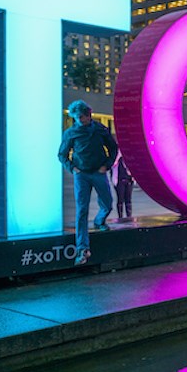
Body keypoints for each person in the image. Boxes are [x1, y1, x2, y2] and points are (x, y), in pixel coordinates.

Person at [58, 100, 118, 266]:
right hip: (82, 174)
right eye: (77, 118)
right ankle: (82, 249)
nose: (80, 121)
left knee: (108, 203)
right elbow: (62, 154)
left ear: (89, 115)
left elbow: (113, 148)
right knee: (82, 211)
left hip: (98, 172)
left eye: (82, 117)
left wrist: (107, 164)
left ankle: (99, 221)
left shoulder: (100, 129)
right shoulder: (70, 133)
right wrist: (72, 168)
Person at [111, 153, 133, 220]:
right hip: (119, 181)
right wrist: (118, 157)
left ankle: (129, 216)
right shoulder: (118, 160)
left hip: (128, 180)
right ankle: (120, 216)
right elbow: (113, 165)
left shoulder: (128, 160)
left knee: (128, 199)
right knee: (120, 199)